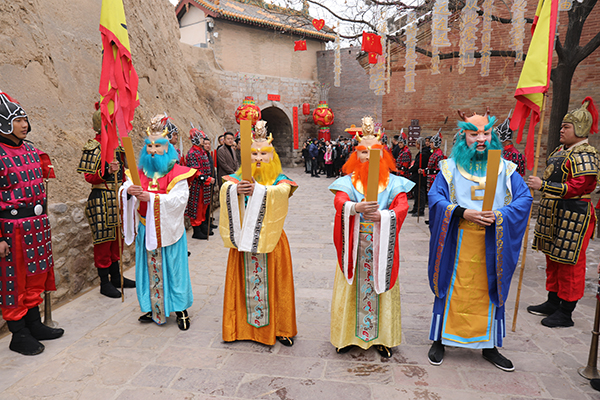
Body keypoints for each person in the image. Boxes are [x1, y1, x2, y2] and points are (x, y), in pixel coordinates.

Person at [426, 109, 532, 371]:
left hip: (492, 242)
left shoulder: (506, 169)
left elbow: (524, 199)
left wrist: (500, 215)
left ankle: (489, 346)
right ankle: (439, 339)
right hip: (457, 240)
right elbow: (436, 198)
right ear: (464, 136)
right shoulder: (449, 168)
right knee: (450, 285)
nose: (481, 139)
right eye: (474, 134)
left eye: (486, 133)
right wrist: (461, 212)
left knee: (489, 288)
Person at [329, 116, 414, 358]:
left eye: (374, 151)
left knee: (381, 288)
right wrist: (355, 208)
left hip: (382, 243)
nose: (368, 157)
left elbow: (402, 206)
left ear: (383, 154)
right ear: (356, 155)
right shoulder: (348, 182)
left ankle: (383, 338)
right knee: (352, 287)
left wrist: (384, 216)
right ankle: (346, 337)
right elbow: (340, 201)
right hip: (354, 245)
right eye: (363, 152)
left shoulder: (394, 182)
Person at [219, 120, 298, 346]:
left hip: (272, 240)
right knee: (243, 283)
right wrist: (235, 190)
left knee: (277, 284)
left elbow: (283, 191)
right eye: (254, 154)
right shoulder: (238, 178)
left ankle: (281, 328)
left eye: (264, 153)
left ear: (272, 156)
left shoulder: (280, 179)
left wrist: (260, 190)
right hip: (244, 239)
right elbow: (225, 187)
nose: (259, 158)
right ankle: (239, 329)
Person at [0, 91, 64, 355]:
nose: (24, 124)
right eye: (17, 120)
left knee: (35, 278)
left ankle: (34, 323)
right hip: (11, 229)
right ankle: (18, 333)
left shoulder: (31, 150)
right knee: (14, 282)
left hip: (36, 225)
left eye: (24, 119)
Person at [119, 115, 198, 330]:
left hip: (169, 230)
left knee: (174, 269)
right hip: (146, 228)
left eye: (158, 146)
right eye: (150, 146)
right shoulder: (139, 172)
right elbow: (126, 188)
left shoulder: (177, 173)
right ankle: (152, 307)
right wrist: (129, 191)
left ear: (167, 148)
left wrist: (152, 198)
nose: (153, 150)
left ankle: (181, 309)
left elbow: (180, 199)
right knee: (148, 269)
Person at [526, 97, 599, 328]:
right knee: (553, 258)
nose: (561, 130)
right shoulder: (560, 151)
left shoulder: (586, 154)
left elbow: (578, 186)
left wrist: (543, 186)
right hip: (554, 213)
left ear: (580, 128)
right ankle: (553, 301)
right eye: (562, 126)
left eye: (566, 127)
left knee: (569, 263)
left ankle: (566, 311)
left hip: (574, 214)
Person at [77, 105, 135, 299]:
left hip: (117, 198)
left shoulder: (118, 147)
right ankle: (104, 282)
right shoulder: (93, 147)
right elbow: (89, 176)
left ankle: (117, 277)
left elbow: (127, 172)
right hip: (101, 198)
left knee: (116, 240)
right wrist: (107, 171)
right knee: (103, 241)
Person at [185, 128, 214, 240]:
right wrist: (206, 179)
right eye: (201, 138)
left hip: (204, 185)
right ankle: (196, 230)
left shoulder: (201, 152)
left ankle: (202, 226)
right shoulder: (192, 153)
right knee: (197, 207)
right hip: (197, 185)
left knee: (203, 206)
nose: (203, 140)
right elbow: (195, 171)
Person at [408, 137, 430, 216]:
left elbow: (418, 164)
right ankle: (415, 208)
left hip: (420, 176)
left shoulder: (424, 153)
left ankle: (420, 209)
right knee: (416, 193)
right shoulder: (421, 152)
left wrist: (411, 169)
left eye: (416, 143)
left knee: (420, 194)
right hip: (416, 176)